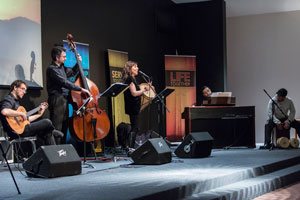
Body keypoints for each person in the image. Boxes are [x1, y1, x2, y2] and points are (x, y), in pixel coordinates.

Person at [46, 45, 90, 144]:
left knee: (64, 126)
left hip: (64, 99)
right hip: (57, 99)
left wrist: (78, 62)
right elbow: (64, 82)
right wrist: (80, 89)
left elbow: (72, 72)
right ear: (57, 57)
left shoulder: (62, 68)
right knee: (57, 127)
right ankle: (55, 152)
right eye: (64, 57)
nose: (65, 58)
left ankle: (62, 151)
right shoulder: (52, 69)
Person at [0, 80, 62, 148]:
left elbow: (27, 120)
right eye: (22, 89)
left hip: (22, 129)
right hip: (16, 132)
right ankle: (53, 130)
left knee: (47, 133)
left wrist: (39, 114)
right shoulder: (9, 99)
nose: (24, 92)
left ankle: (55, 154)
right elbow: (4, 111)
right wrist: (21, 113)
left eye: (25, 90)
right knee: (47, 122)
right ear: (15, 87)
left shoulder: (17, 103)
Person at [122, 61, 150, 148]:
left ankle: (130, 147)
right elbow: (134, 93)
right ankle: (130, 148)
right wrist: (144, 90)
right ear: (130, 69)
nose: (137, 68)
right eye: (135, 67)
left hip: (134, 106)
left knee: (135, 127)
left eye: (137, 66)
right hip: (132, 106)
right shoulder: (130, 79)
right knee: (134, 127)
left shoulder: (133, 78)